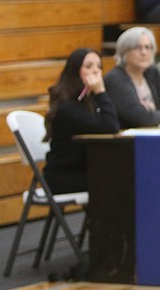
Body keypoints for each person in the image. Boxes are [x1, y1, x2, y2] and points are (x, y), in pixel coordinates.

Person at [44, 49, 120, 195]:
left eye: (99, 66)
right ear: (75, 71)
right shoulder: (67, 106)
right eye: (89, 66)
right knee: (122, 178)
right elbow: (110, 127)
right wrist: (101, 92)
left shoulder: (90, 102)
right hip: (64, 176)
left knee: (126, 172)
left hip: (85, 170)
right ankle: (100, 219)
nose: (96, 71)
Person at [103, 27, 160, 128]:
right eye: (138, 48)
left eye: (148, 47)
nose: (144, 52)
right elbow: (141, 119)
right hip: (129, 139)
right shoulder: (115, 79)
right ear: (124, 52)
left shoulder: (152, 72)